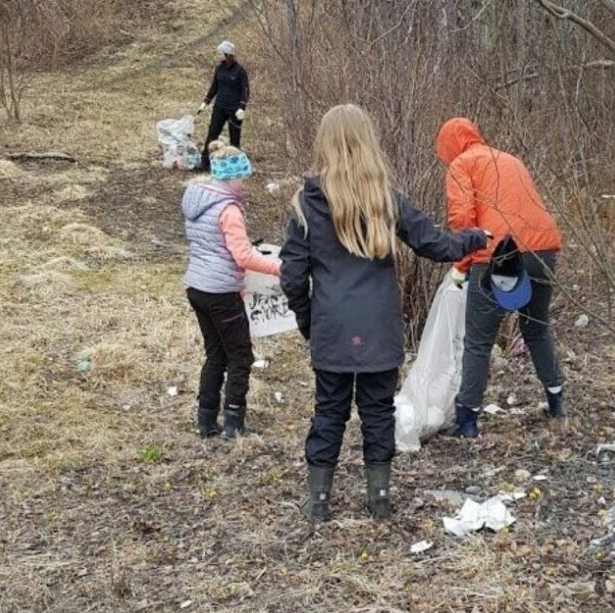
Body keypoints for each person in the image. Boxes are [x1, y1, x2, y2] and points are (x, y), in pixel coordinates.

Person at [280, 104, 489, 522]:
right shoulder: (385, 200)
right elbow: (434, 245)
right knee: (378, 412)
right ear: (368, 142)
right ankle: (379, 499)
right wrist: (476, 237)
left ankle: (318, 503)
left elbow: (292, 277)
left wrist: (309, 322)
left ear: (326, 143)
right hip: (379, 328)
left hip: (333, 328)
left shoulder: (307, 203)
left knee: (329, 412)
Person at [436, 117, 565, 439]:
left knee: (478, 341)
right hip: (543, 249)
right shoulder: (509, 159)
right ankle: (557, 401)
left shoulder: (462, 165)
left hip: (499, 254)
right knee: (536, 328)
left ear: (449, 145)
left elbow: (464, 222)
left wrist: (462, 266)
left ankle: (467, 421)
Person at [182, 141, 281, 439]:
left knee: (215, 355)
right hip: (221, 293)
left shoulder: (197, 199)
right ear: (231, 177)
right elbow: (243, 257)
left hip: (197, 287)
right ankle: (233, 423)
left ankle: (206, 419)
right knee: (240, 357)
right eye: (242, 177)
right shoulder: (228, 210)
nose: (244, 183)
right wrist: (282, 268)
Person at [197, 41, 249, 172]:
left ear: (228, 55)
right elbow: (214, 86)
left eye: (221, 54)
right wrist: (205, 101)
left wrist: (242, 107)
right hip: (220, 107)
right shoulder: (219, 69)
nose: (219, 56)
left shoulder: (240, 71)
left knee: (234, 137)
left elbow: (245, 90)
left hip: (234, 109)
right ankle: (205, 161)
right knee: (212, 133)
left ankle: (235, 165)